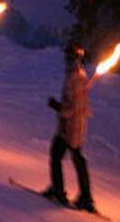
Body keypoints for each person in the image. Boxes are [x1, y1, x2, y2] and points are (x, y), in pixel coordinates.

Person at [44, 41, 95, 212]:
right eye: (67, 57)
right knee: (76, 158)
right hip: (72, 126)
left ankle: (63, 191)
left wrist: (57, 106)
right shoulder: (76, 76)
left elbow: (72, 108)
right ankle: (85, 196)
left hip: (71, 127)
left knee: (58, 155)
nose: (67, 61)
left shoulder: (76, 78)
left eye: (70, 58)